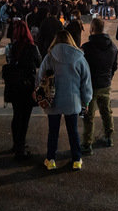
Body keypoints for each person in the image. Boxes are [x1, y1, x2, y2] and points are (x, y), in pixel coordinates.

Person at [36, 30, 92, 171]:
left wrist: (39, 93)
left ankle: (51, 159)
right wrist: (86, 101)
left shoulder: (50, 56)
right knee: (73, 130)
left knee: (53, 131)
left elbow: (40, 76)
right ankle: (76, 159)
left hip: (52, 100)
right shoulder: (79, 57)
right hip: (72, 101)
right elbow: (85, 82)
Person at [4, 21, 41, 160]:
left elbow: (9, 61)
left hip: (14, 86)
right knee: (24, 118)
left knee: (16, 115)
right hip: (26, 87)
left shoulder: (12, 47)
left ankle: (16, 144)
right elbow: (39, 62)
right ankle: (20, 149)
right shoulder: (31, 48)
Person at [81, 18, 118, 155]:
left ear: (92, 28)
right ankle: (109, 137)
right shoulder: (113, 47)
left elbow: (81, 68)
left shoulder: (87, 47)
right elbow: (115, 66)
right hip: (105, 84)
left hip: (90, 86)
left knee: (89, 116)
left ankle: (87, 143)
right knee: (106, 111)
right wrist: (108, 77)